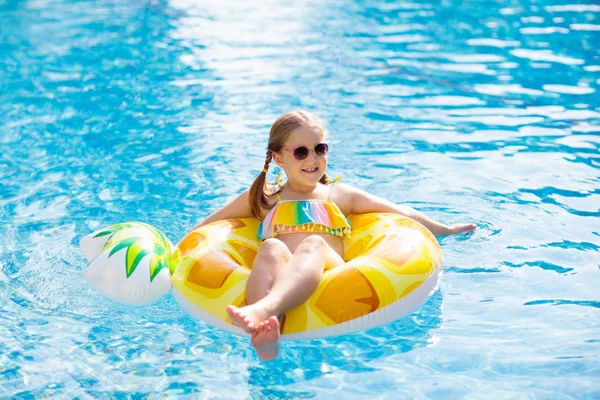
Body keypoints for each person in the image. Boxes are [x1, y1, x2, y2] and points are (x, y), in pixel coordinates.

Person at [192, 110, 476, 360]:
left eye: (320, 148)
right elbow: (210, 225)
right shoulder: (265, 198)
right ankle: (264, 332)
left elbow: (401, 212)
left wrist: (446, 230)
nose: (313, 158)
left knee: (312, 243)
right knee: (271, 249)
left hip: (330, 273)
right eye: (301, 152)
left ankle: (263, 309)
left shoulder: (338, 195)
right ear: (278, 158)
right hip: (283, 270)